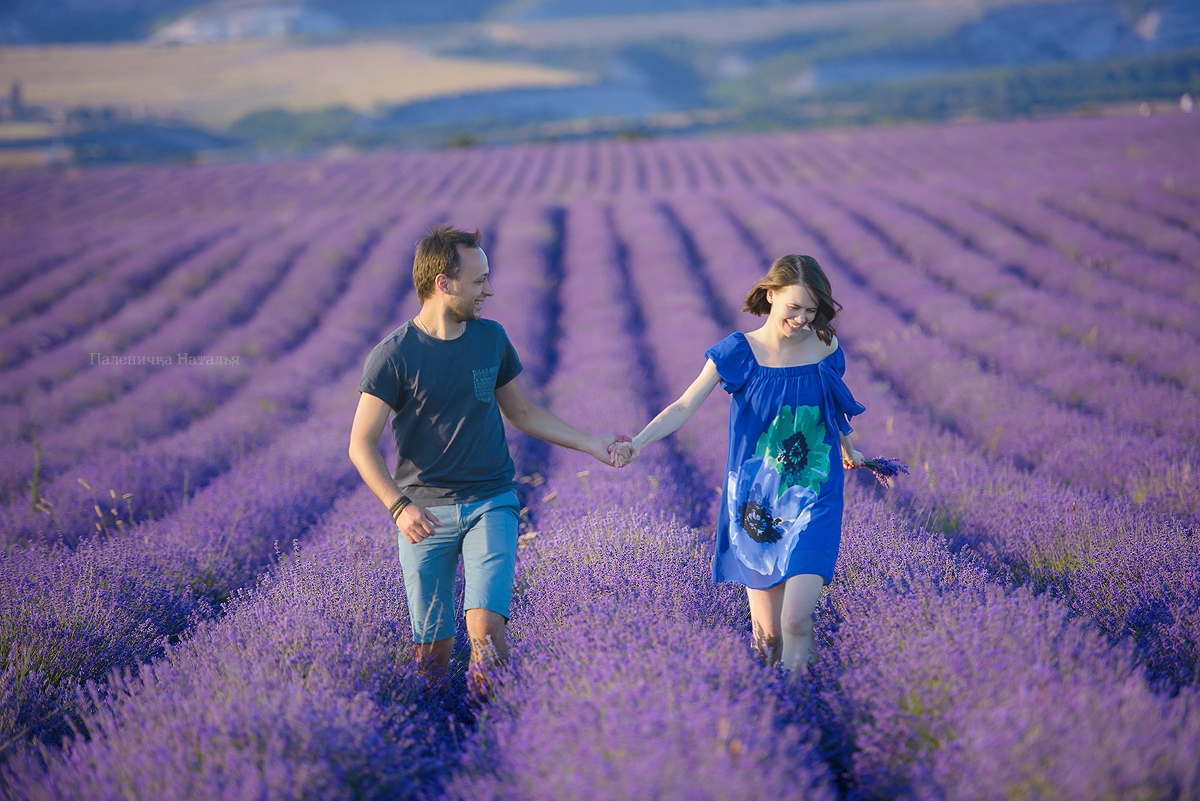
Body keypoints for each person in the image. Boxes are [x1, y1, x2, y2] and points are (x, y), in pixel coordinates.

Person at [348, 225, 626, 693]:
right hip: (424, 514)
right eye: (479, 281)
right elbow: (360, 444)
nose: (489, 291)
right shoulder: (393, 356)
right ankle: (439, 731)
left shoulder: (491, 338)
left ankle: (490, 721)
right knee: (431, 651)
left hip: (491, 500)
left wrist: (589, 443)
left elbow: (521, 411)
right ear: (444, 283)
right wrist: (399, 506)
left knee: (486, 631)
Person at [620, 254, 865, 674]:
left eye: (811, 310)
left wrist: (848, 447)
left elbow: (831, 404)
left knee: (796, 619)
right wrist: (639, 442)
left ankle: (798, 711)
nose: (803, 319)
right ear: (770, 296)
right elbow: (683, 405)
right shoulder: (738, 352)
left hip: (814, 495)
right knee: (768, 638)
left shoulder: (825, 345)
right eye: (794, 308)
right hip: (757, 504)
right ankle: (772, 708)